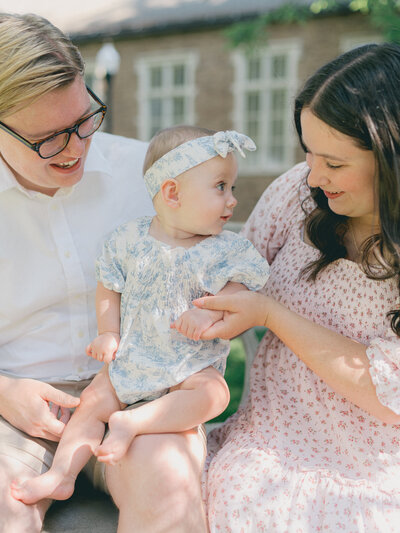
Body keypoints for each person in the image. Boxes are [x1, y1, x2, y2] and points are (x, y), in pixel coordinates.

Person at [0, 12, 207, 533]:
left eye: (85, 119)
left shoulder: (151, 177)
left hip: (141, 395)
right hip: (13, 411)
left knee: (169, 492)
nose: (76, 147)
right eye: (48, 138)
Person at [189, 43, 400, 532]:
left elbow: (390, 394)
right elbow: (234, 269)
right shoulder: (297, 193)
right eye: (309, 152)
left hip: (377, 458)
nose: (315, 175)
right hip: (271, 437)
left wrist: (269, 313)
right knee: (241, 504)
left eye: (336, 162)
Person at [10, 125, 269, 505]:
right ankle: (60, 475)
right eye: (220, 187)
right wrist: (108, 333)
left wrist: (208, 314)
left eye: (232, 188)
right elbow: (108, 287)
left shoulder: (225, 249)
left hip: (189, 368)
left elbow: (241, 289)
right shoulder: (128, 241)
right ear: (172, 192)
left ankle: (134, 422)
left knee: (214, 394)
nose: (232, 200)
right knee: (92, 404)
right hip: (132, 360)